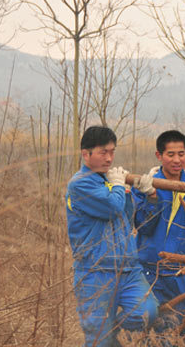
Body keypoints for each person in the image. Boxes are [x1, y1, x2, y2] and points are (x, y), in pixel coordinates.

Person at [66, 126, 158, 347]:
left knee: (148, 312)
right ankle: (105, 335)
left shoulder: (107, 181)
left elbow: (125, 217)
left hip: (128, 268)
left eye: (112, 152)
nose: (109, 158)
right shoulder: (80, 183)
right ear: (85, 154)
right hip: (95, 271)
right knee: (99, 340)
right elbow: (111, 207)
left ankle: (111, 331)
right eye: (103, 152)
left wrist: (143, 192)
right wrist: (118, 185)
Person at [132, 130, 185, 346]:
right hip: (152, 272)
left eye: (181, 154)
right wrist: (151, 199)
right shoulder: (147, 185)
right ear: (159, 155)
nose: (177, 160)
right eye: (171, 154)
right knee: (156, 335)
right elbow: (143, 226)